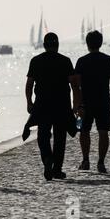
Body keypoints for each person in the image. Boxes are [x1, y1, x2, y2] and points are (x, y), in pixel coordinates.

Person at [25, 33, 81, 181]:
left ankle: (47, 159)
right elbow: (74, 85)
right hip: (61, 105)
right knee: (60, 138)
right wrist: (76, 106)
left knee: (43, 136)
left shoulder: (36, 61)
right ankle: (57, 169)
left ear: (44, 45)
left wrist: (29, 102)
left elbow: (29, 84)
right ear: (57, 45)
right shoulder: (65, 61)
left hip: (42, 105)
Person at [75, 30, 110, 174]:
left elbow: (76, 86)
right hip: (103, 102)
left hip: (86, 103)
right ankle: (100, 162)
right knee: (103, 132)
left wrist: (77, 104)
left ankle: (86, 160)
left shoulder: (81, 61)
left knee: (84, 131)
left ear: (87, 44)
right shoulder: (109, 60)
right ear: (100, 43)